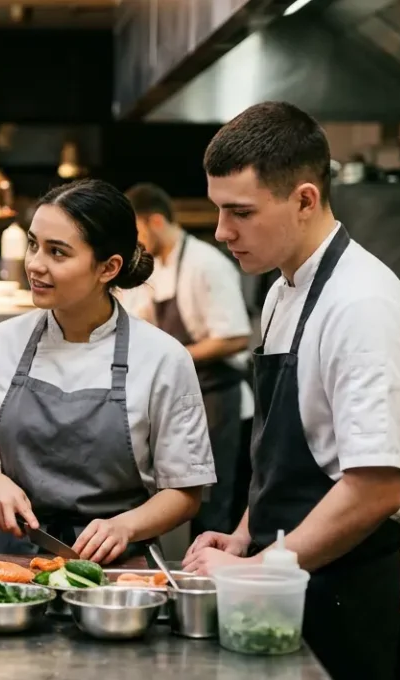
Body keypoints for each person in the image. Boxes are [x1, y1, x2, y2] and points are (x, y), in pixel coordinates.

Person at [181, 101, 400, 680]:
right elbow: (287, 452)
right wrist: (244, 534)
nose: (222, 232)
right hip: (291, 583)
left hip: (353, 595)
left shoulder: (362, 305)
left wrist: (258, 570)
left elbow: (373, 490)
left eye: (240, 212)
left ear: (305, 199)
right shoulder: (281, 291)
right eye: (219, 210)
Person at [0, 178, 216, 565]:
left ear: (108, 268)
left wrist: (126, 526)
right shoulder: (1, 342)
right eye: (33, 244)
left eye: (58, 252)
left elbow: (185, 492)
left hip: (116, 572)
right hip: (17, 564)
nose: (35, 264)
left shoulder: (163, 357)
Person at [124, 183, 254, 537]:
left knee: (212, 507)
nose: (134, 240)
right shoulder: (157, 266)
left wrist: (171, 359)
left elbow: (236, 336)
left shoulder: (205, 264)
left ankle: (210, 584)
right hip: (181, 398)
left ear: (154, 221)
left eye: (135, 230)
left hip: (217, 402)